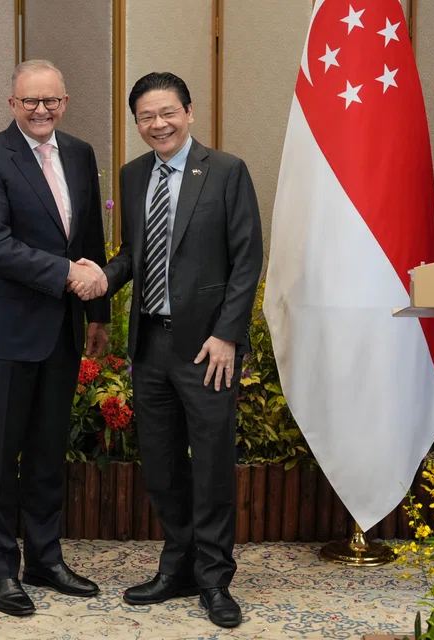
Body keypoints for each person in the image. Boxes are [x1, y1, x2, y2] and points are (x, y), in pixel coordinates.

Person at [75, 71, 263, 628]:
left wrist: (228, 333)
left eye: (167, 113)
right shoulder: (134, 176)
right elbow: (135, 252)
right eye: (146, 117)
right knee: (159, 467)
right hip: (150, 345)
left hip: (208, 348)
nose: (158, 125)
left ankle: (214, 580)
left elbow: (246, 257)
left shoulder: (226, 171)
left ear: (189, 112)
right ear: (137, 123)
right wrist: (103, 278)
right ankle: (177, 567)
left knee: (209, 468)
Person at [0, 59, 110, 617]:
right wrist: (65, 274)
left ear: (65, 101)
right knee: (0, 459)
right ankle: (0, 571)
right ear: (12, 104)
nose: (41, 110)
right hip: (4, 335)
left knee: (48, 453)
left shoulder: (80, 153)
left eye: (51, 101)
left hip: (65, 331)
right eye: (31, 102)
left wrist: (99, 313)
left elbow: (89, 236)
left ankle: (44, 559)